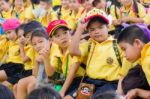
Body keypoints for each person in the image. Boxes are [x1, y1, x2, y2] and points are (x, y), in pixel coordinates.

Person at [70, 8, 131, 98]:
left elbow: (124, 72)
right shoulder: (90, 44)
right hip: (89, 82)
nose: (96, 31)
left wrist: (119, 92)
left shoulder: (117, 45)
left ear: (108, 27)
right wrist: (79, 30)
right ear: (88, 32)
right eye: (92, 29)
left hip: (110, 84)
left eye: (100, 27)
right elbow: (73, 51)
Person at [47, 20, 85, 99]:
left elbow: (73, 71)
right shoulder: (57, 52)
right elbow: (51, 74)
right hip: (67, 82)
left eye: (65, 33)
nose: (63, 37)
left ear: (70, 33)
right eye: (58, 36)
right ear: (51, 40)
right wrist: (45, 58)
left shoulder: (75, 48)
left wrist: (62, 91)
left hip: (82, 82)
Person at [117, 24, 150, 97]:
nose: (124, 55)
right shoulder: (144, 54)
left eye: (124, 49)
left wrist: (138, 92)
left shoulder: (147, 62)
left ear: (137, 43)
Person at [0, 18, 24, 88]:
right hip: (8, 65)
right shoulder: (9, 41)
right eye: (6, 33)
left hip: (17, 67)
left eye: (9, 32)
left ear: (18, 30)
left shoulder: (22, 40)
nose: (8, 35)